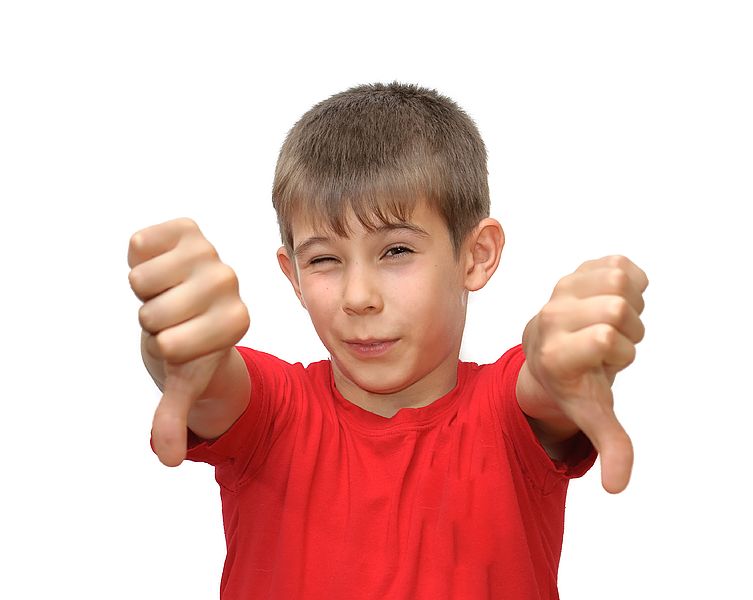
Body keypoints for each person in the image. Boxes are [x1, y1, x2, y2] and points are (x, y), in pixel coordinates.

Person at [127, 82, 647, 600]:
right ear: (294, 279)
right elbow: (217, 381)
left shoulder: (507, 411)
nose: (358, 296)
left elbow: (542, 386)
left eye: (396, 250)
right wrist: (178, 342)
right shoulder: (272, 412)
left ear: (477, 256)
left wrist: (562, 358)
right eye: (324, 259)